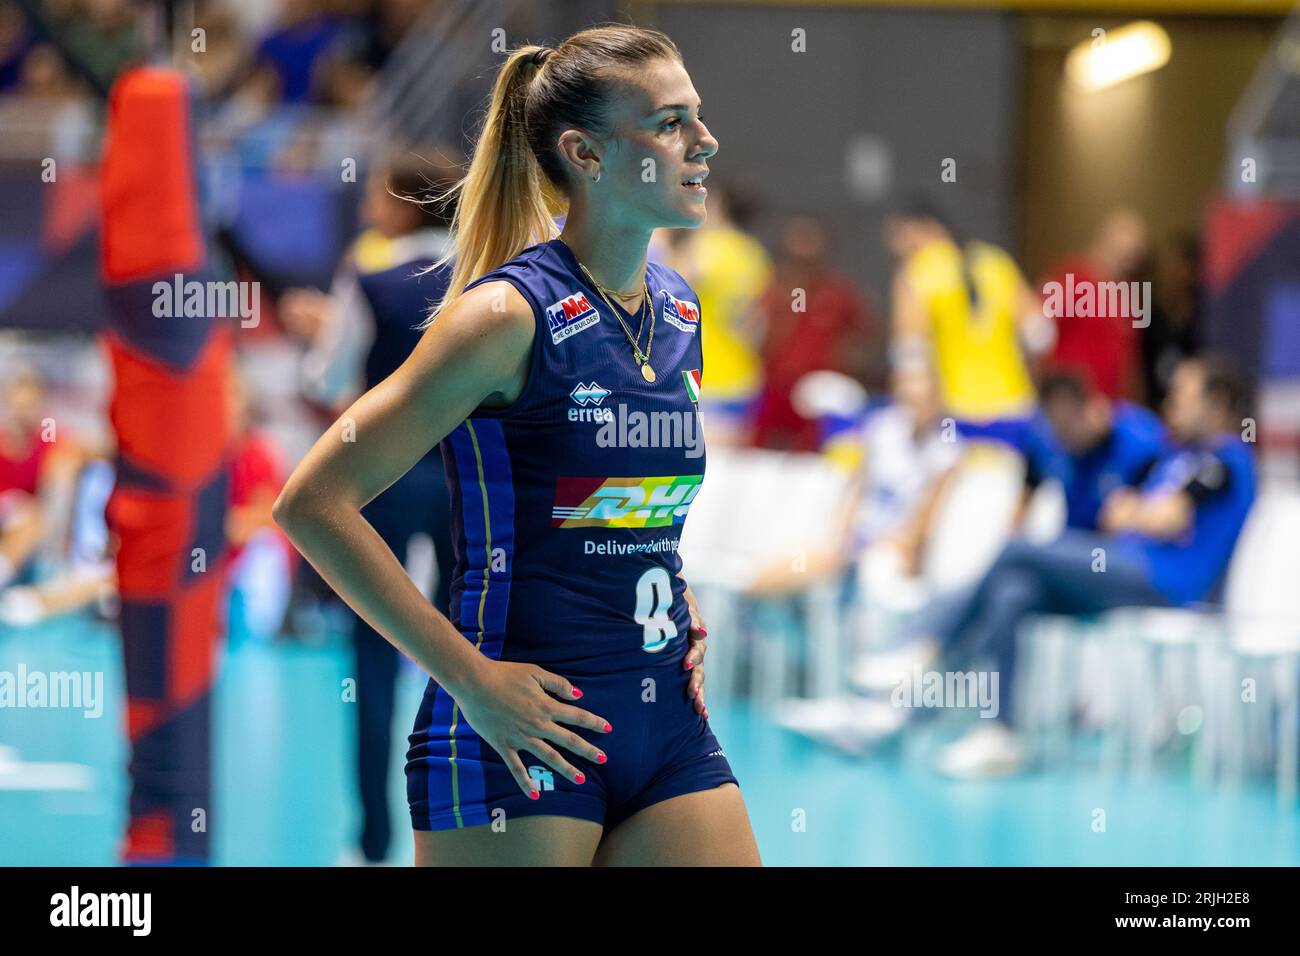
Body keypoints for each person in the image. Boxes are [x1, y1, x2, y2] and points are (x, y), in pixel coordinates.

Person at [273, 25, 760, 866]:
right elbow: (312, 502)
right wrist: (470, 680)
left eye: (698, 116)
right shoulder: (505, 317)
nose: (704, 142)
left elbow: (634, 503)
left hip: (666, 720)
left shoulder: (679, 308)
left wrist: (672, 601)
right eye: (671, 122)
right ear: (587, 153)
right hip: (517, 731)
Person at [930, 356, 1256, 777]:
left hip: (1162, 583)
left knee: (1018, 550)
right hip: (1123, 569)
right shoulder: (1181, 458)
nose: (1172, 403)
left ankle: (931, 642)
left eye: (1184, 395)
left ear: (1218, 402)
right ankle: (999, 731)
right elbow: (1117, 514)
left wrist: (1142, 512)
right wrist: (1142, 511)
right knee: (1013, 591)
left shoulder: (1224, 461)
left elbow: (1163, 517)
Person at [280, 149, 461, 865]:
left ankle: (373, 841)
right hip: (464, 484)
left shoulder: (374, 276)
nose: (368, 209)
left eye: (380, 196)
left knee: (374, 656)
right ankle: (455, 828)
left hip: (380, 481)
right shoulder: (490, 276)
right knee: (465, 656)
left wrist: (319, 332)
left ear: (408, 203)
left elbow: (328, 376)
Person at [884, 197, 1052, 453]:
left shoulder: (918, 272)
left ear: (926, 229)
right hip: (1014, 409)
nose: (900, 251)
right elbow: (1040, 334)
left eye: (903, 240)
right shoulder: (996, 262)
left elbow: (911, 356)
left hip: (955, 418)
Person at [654, 184, 772, 446]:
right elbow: (758, 323)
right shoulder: (754, 254)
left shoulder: (706, 248)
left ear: (719, 206)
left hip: (707, 374)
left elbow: (662, 287)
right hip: (743, 373)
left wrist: (660, 237)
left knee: (704, 467)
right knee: (729, 467)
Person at [752, 216, 876, 451]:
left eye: (810, 239)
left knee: (813, 460)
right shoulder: (772, 289)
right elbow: (752, 333)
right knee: (758, 457)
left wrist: (844, 365)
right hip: (774, 389)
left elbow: (868, 333)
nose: (803, 247)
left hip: (817, 395)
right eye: (798, 239)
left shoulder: (838, 292)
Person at [1021, 369, 1168, 532]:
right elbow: (1027, 489)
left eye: (1069, 422)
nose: (1064, 435)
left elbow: (1165, 500)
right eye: (1057, 425)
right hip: (1078, 540)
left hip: (1120, 544)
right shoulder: (1045, 442)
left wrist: (1136, 510)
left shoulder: (1138, 439)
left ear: (1089, 408)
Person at [1040, 208, 1150, 402]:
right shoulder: (1072, 277)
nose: (1127, 262)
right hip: (1070, 406)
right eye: (1122, 254)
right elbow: (1040, 332)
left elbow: (1128, 360)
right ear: (1103, 243)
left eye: (1134, 258)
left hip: (1109, 410)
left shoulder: (1126, 294)